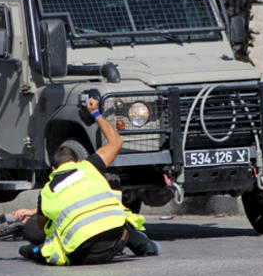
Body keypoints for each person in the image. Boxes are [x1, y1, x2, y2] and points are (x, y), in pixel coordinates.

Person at [13, 97, 160, 265]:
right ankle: (146, 247)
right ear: (76, 161)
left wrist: (37, 212)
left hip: (83, 255)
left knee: (44, 244)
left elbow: (43, 225)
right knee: (119, 219)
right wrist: (96, 113)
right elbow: (116, 142)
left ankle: (33, 251)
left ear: (53, 169)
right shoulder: (89, 166)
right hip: (117, 240)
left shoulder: (47, 191)